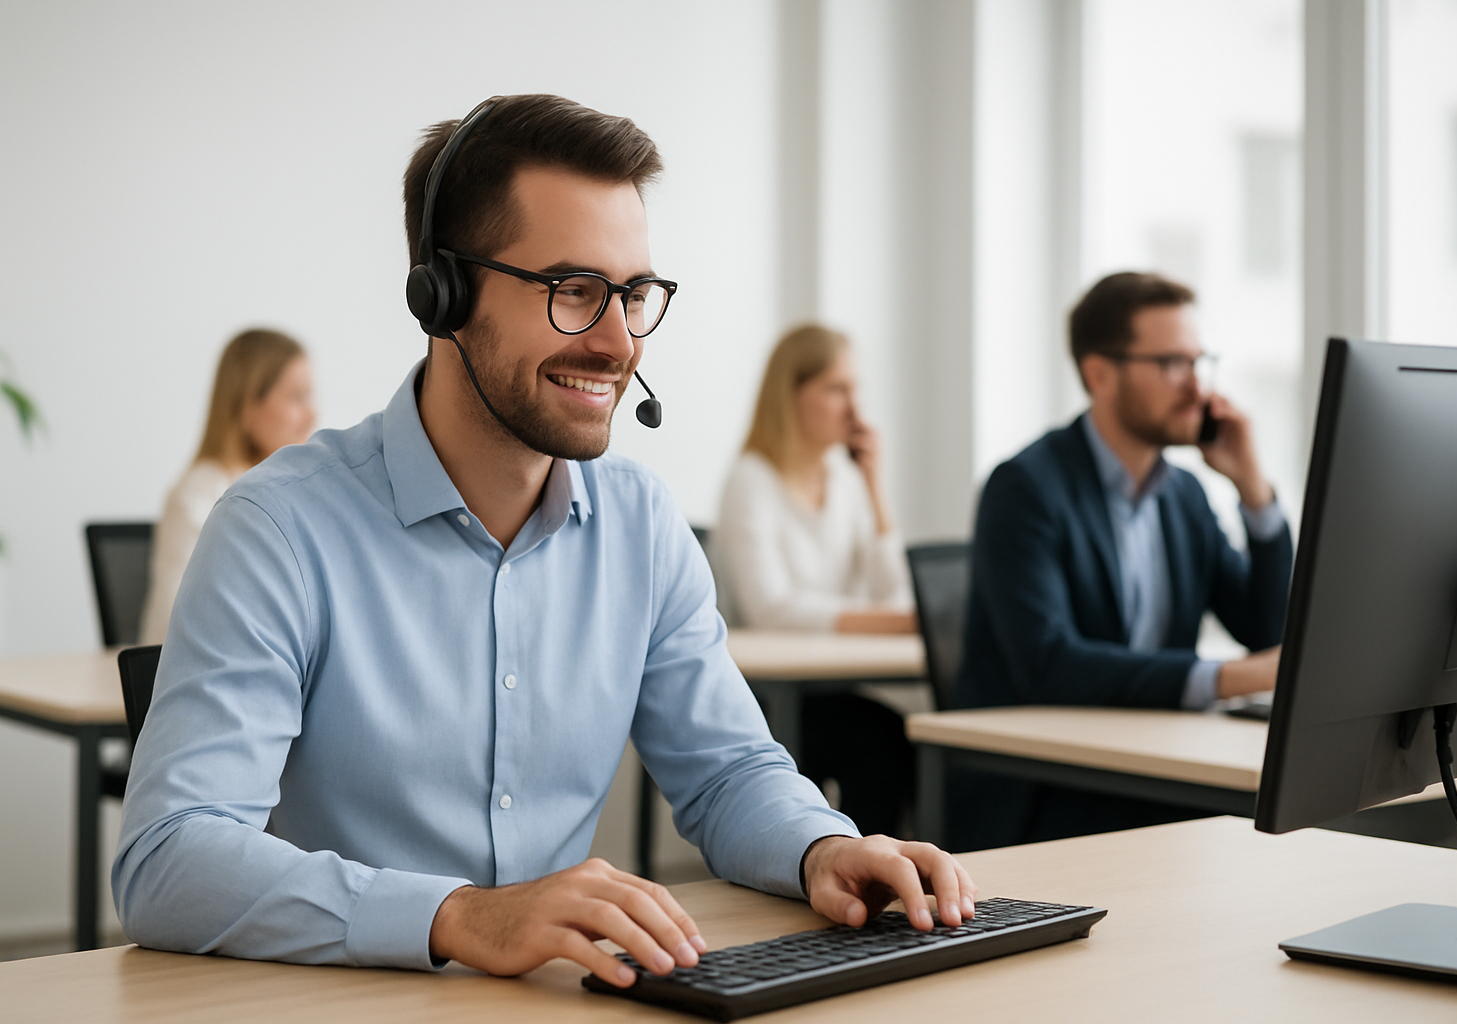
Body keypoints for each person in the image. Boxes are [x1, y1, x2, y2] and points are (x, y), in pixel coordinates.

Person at [113, 94, 975, 989]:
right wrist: (459, 917)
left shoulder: (641, 524)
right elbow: (167, 859)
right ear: (442, 294)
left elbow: (727, 772)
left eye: (635, 294)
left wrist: (821, 848)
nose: (616, 341)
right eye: (574, 291)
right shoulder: (281, 529)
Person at [953, 271, 1293, 850]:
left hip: (1156, 769)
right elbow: (1048, 663)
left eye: (1199, 361)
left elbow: (1269, 631)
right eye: (1171, 364)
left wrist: (1254, 490)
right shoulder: (1025, 489)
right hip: (1046, 794)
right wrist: (1228, 677)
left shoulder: (1184, 495)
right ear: (1099, 374)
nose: (1197, 388)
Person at [713, 324, 916, 837]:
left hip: (828, 687)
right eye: (837, 389)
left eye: (856, 389)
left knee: (890, 736)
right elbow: (771, 609)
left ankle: (873, 874)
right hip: (764, 697)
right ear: (792, 395)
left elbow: (893, 595)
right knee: (876, 741)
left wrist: (876, 488)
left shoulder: (846, 481)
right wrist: (884, 624)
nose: (855, 408)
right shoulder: (751, 480)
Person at [137, 329, 314, 645]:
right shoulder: (198, 497)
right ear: (248, 403)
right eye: (296, 398)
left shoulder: (292, 493)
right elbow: (174, 629)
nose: (311, 416)